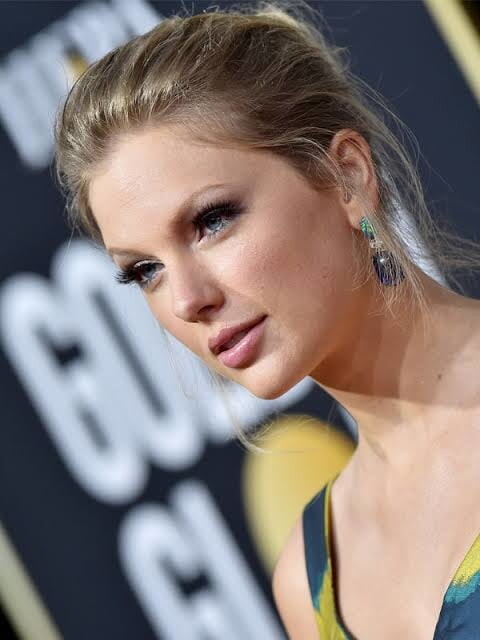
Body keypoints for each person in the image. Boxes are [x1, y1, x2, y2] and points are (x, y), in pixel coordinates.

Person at [53, 1, 480, 638]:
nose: (186, 300)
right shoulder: (310, 580)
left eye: (212, 220)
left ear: (347, 176)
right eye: (144, 271)